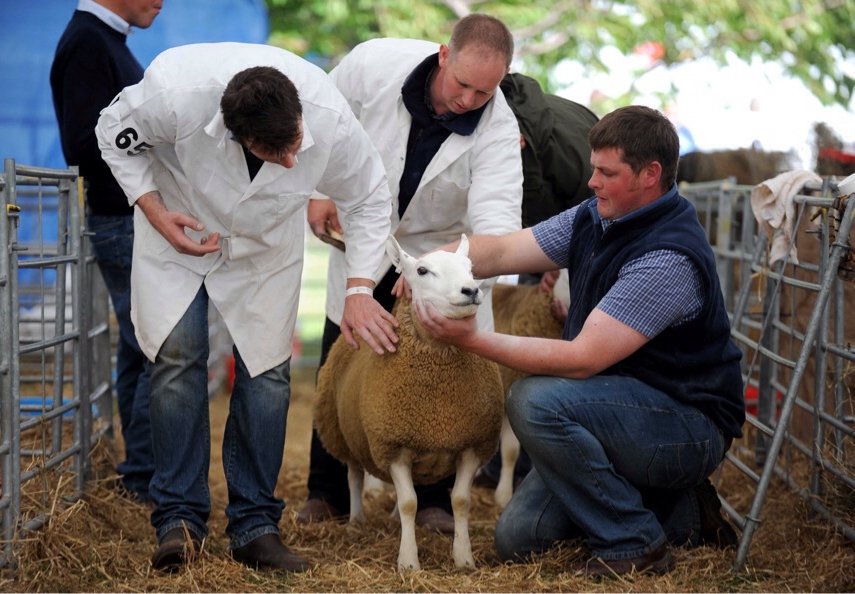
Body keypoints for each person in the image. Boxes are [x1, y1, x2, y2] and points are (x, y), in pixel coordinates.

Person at [95, 42, 399, 573]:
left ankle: (255, 524)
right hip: (178, 229)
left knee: (269, 374)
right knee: (176, 359)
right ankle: (178, 520)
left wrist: (358, 289)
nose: (289, 161)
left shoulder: (329, 116)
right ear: (236, 134)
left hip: (265, 247)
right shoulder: (173, 93)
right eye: (272, 151)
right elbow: (111, 133)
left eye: (295, 145)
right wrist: (153, 209)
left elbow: (370, 197)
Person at [414, 105, 745, 578]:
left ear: (650, 175)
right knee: (518, 540)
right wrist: (430, 262)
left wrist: (472, 339)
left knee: (533, 399)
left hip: (682, 423)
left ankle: (635, 540)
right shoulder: (597, 215)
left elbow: (582, 359)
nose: (591, 181)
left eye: (606, 173)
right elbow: (506, 249)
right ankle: (679, 512)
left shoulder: (667, 257)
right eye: (593, 168)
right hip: (613, 410)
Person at [298, 14, 523, 534]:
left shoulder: (498, 127)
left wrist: (443, 266)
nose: (469, 100)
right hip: (362, 233)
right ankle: (327, 490)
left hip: (440, 253)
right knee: (343, 352)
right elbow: (317, 120)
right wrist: (318, 191)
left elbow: (497, 227)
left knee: (448, 368)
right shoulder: (373, 63)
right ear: (444, 54)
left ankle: (436, 499)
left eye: (484, 91)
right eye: (462, 84)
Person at [50, 0, 162, 504]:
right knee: (154, 342)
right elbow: (81, 142)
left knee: (142, 344)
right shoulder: (89, 42)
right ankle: (142, 475)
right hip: (121, 217)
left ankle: (142, 472)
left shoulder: (103, 41)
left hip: (130, 216)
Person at [472, 72, 598, 491]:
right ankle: (499, 462)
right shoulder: (491, 124)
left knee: (564, 328)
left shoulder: (573, 151)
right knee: (524, 322)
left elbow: (597, 211)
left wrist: (562, 265)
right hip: (537, 229)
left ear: (516, 139)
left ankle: (538, 463)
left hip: (584, 234)